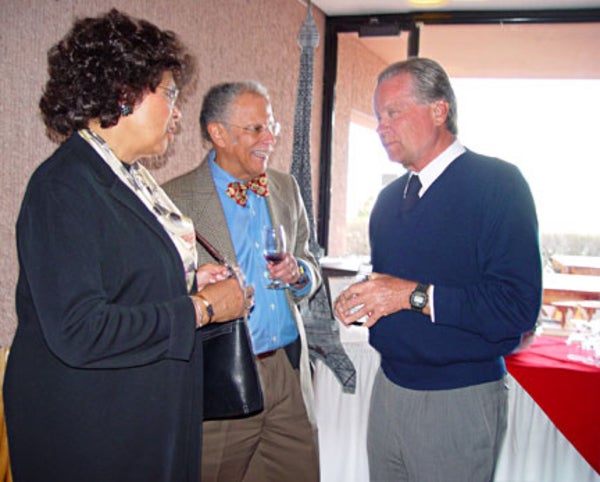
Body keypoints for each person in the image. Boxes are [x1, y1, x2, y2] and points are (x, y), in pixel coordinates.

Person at [3, 9, 251, 482]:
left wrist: (187, 280)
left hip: (142, 417)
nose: (178, 112)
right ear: (124, 91)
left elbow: (117, 276)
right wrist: (200, 308)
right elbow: (79, 329)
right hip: (92, 434)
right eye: (170, 94)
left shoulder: (128, 177)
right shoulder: (64, 186)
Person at [334, 58, 542, 482]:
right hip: (388, 391)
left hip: (459, 399)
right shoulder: (388, 201)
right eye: (377, 116)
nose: (381, 126)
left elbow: (518, 308)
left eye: (393, 112)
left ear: (439, 111)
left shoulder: (499, 186)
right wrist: (365, 298)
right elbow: (395, 287)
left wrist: (411, 295)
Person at [163, 81, 321, 482]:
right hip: (220, 376)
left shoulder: (285, 187)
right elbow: (157, 291)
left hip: (287, 375)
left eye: (272, 127)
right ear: (218, 133)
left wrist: (300, 274)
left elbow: (308, 258)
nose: (269, 139)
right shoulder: (171, 201)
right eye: (256, 129)